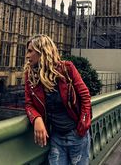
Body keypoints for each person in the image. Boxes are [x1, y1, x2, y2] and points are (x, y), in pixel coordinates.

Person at [24, 34, 91, 165]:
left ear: (42, 51)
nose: (27, 55)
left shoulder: (67, 68)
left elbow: (85, 96)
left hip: (76, 135)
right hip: (56, 137)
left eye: (30, 51)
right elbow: (29, 104)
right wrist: (36, 119)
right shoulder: (30, 76)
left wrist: (82, 126)